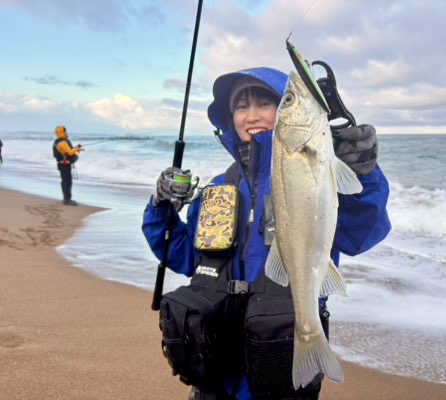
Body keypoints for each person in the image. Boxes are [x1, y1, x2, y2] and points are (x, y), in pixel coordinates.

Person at [142, 67, 391, 400]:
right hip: (216, 372)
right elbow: (185, 256)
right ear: (229, 118)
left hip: (278, 362)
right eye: (241, 106)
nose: (252, 115)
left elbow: (360, 234)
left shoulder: (317, 172)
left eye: (265, 103)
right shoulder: (219, 188)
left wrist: (365, 173)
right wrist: (161, 207)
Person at [53, 125, 81, 206]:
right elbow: (70, 152)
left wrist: (76, 149)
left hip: (63, 165)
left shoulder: (58, 142)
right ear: (61, 133)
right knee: (67, 182)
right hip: (64, 165)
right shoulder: (62, 143)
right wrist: (77, 149)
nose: (66, 133)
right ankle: (67, 200)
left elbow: (67, 151)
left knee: (65, 181)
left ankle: (66, 199)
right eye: (64, 132)